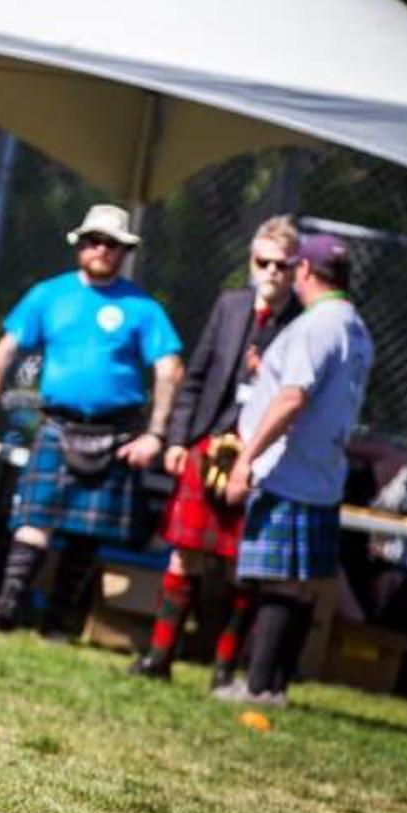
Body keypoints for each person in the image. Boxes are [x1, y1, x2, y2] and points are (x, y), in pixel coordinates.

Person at [0, 203, 183, 636]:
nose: (102, 250)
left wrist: (156, 434)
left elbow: (169, 370)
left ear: (124, 252)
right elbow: (4, 353)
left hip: (116, 430)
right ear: (80, 245)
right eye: (95, 241)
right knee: (34, 519)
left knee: (87, 536)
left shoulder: (143, 308)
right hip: (58, 424)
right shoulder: (50, 294)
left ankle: (58, 620)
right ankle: (7, 606)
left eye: (112, 244)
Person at [131, 216, 302, 686]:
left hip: (264, 455)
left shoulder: (302, 323)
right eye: (261, 261)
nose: (270, 272)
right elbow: (197, 377)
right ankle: (159, 657)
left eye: (281, 265)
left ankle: (224, 670)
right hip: (209, 444)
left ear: (296, 269)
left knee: (243, 568)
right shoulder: (231, 306)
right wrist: (180, 441)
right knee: (183, 555)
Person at [217, 232, 374, 707]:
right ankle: (277, 684)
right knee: (301, 585)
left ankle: (260, 686)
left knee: (281, 580)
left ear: (305, 271)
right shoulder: (355, 328)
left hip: (288, 467)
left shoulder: (315, 326)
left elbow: (293, 397)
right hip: (321, 470)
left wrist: (246, 459)